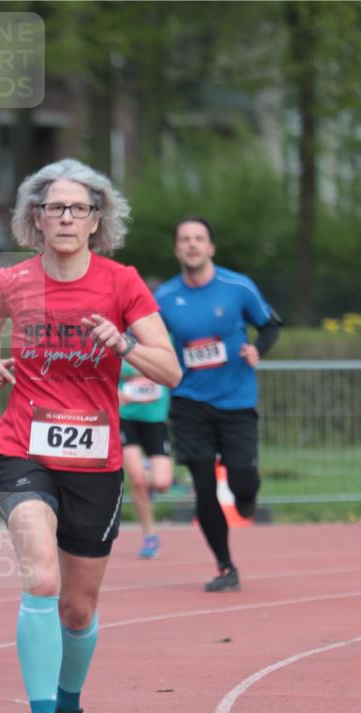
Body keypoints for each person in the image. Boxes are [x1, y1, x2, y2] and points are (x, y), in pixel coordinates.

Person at [0, 158, 181, 713]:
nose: (65, 217)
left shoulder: (122, 285)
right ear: (34, 220)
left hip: (95, 462)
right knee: (40, 577)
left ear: (97, 222)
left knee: (79, 608)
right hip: (24, 449)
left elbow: (170, 369)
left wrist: (125, 345)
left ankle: (68, 708)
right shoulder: (11, 281)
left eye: (78, 209)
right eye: (53, 208)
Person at [156, 216, 281, 591]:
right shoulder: (163, 297)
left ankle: (248, 499)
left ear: (211, 247)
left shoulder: (237, 287)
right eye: (185, 239)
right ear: (177, 249)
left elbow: (271, 324)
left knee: (242, 477)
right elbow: (146, 338)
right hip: (189, 402)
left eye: (199, 239)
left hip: (236, 400)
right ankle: (226, 566)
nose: (192, 245)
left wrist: (257, 349)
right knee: (204, 487)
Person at [118, 356, 173, 558]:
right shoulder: (117, 334)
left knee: (162, 483)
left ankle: (154, 479)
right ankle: (150, 536)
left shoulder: (164, 336)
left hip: (155, 420)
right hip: (126, 417)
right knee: (138, 480)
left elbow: (169, 367)